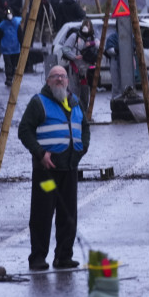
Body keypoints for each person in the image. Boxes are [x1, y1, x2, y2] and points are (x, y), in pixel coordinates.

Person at [18, 65, 89, 271]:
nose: (59, 79)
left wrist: (82, 148)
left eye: (63, 76)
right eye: (55, 76)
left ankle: (64, 256)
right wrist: (40, 153)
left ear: (68, 81)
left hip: (69, 168)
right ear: (48, 81)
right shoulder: (38, 103)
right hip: (47, 171)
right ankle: (38, 257)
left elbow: (85, 127)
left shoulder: (75, 102)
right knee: (42, 213)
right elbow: (24, 130)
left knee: (68, 214)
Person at [0, 10, 22, 86]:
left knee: (13, 64)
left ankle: (11, 76)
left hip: (15, 48)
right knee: (8, 64)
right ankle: (9, 78)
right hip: (6, 48)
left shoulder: (16, 23)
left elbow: (20, 35)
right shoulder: (3, 25)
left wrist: (22, 44)